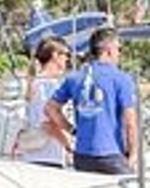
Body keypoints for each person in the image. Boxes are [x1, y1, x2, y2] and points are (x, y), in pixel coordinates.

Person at [46, 26, 138, 175]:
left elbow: (50, 108)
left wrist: (72, 129)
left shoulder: (74, 77)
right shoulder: (122, 79)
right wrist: (133, 155)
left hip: (82, 155)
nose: (119, 54)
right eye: (118, 49)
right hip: (111, 154)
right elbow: (130, 123)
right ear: (109, 50)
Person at [19, 37, 72, 167]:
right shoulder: (48, 85)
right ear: (55, 55)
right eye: (65, 54)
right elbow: (49, 123)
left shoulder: (35, 83)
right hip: (47, 157)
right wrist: (70, 145)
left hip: (32, 156)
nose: (67, 59)